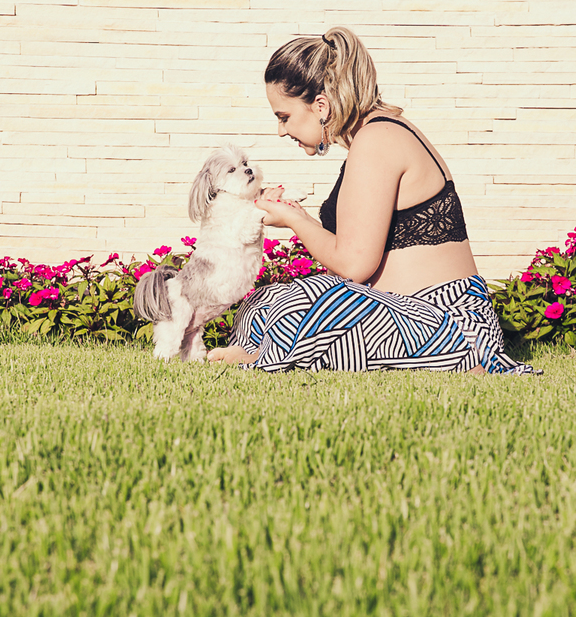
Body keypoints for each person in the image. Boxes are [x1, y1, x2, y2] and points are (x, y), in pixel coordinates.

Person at [208, 26, 540, 375]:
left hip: (448, 323)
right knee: (265, 301)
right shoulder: (374, 136)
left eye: (284, 117)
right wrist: (294, 213)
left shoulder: (377, 139)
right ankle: (263, 350)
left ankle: (266, 356)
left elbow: (354, 266)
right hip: (403, 311)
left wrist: (296, 220)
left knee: (315, 301)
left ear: (320, 106)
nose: (281, 130)